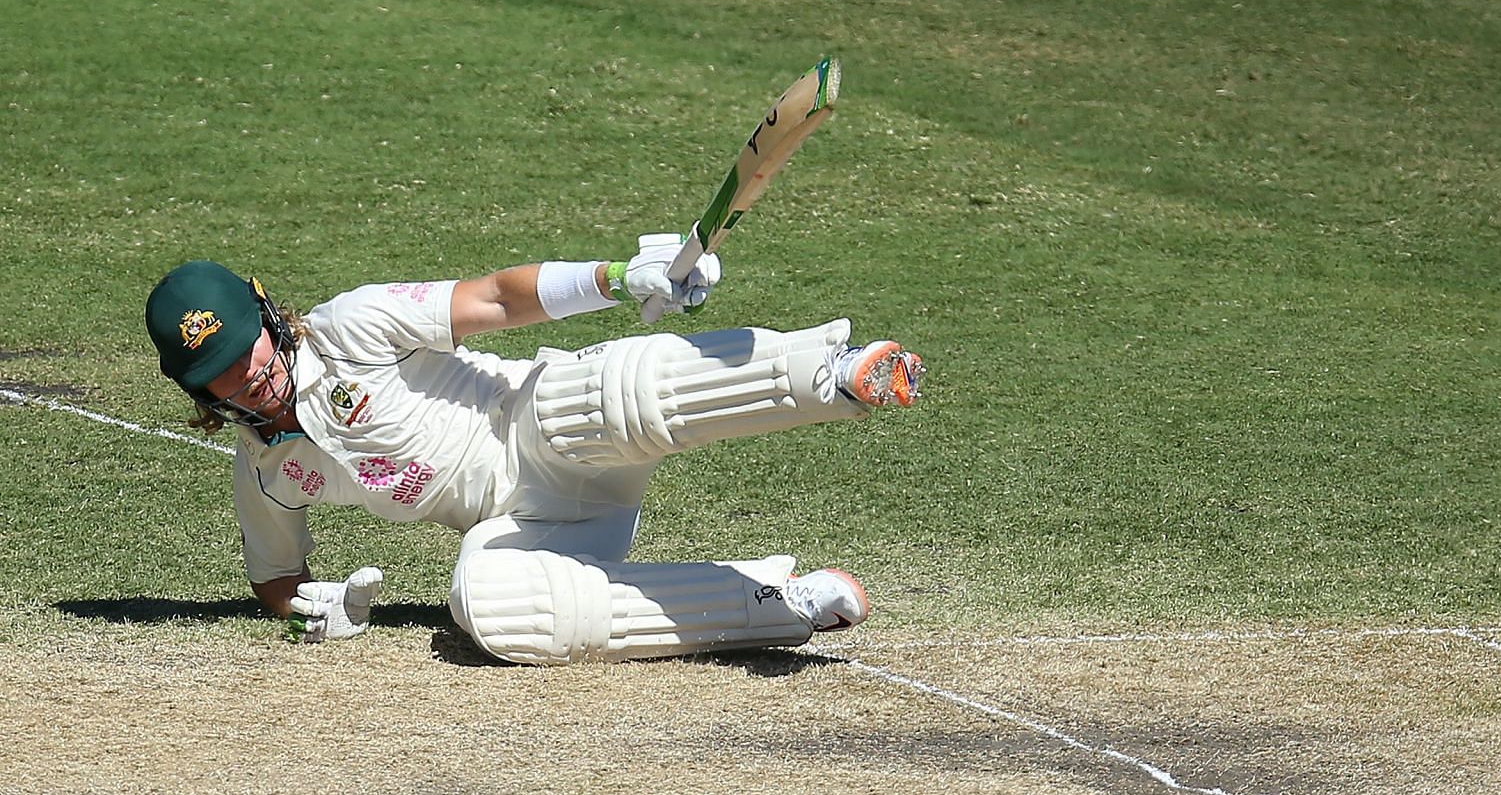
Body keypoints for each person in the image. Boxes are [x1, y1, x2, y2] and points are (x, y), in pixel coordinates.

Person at [142, 235, 923, 665]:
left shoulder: (350, 327)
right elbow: (278, 578)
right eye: (219, 378)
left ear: (267, 316)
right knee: (492, 607)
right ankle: (776, 605)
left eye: (247, 353)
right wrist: (317, 612)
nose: (246, 382)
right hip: (530, 522)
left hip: (535, 423)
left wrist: (617, 277)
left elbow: (493, 297)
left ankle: (825, 376)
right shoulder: (267, 469)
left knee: (603, 395)